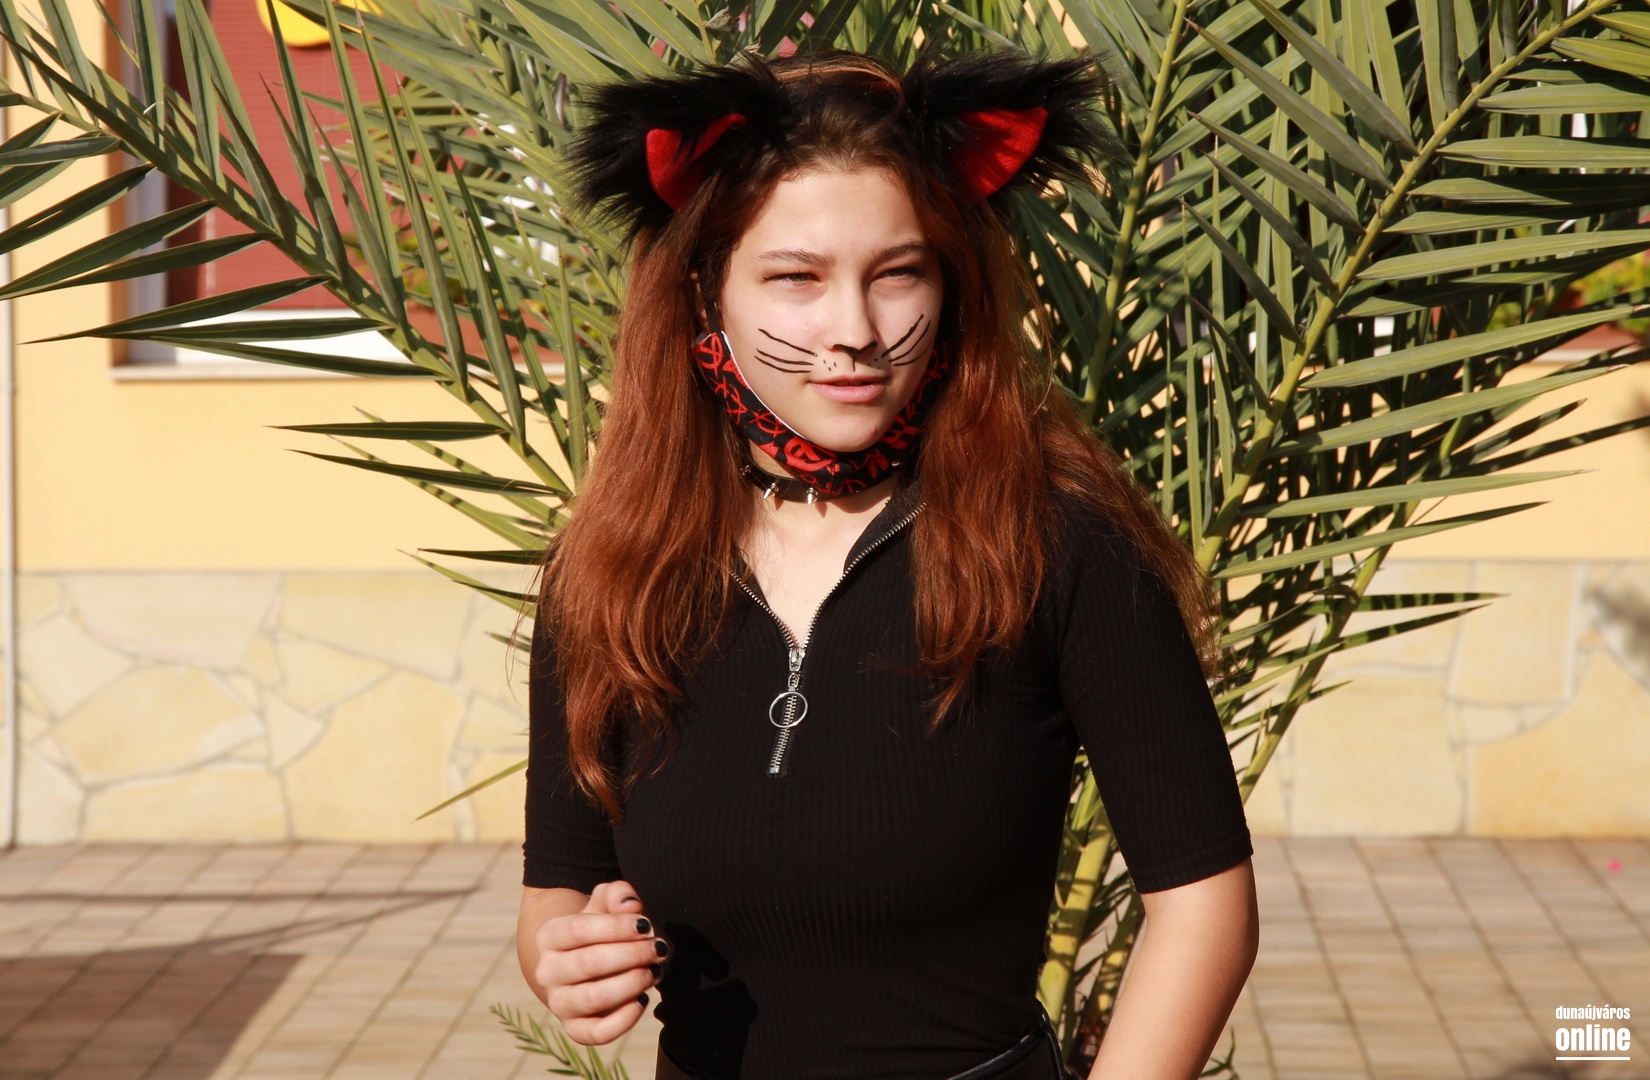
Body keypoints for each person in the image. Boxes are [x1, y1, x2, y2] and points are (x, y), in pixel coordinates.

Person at [516, 49, 1258, 1080]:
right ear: (703, 292)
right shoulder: (609, 571)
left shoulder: (1058, 542)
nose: (855, 332)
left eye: (898, 273)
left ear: (950, 286)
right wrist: (567, 960)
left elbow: (1205, 903)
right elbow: (557, 888)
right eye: (796, 279)